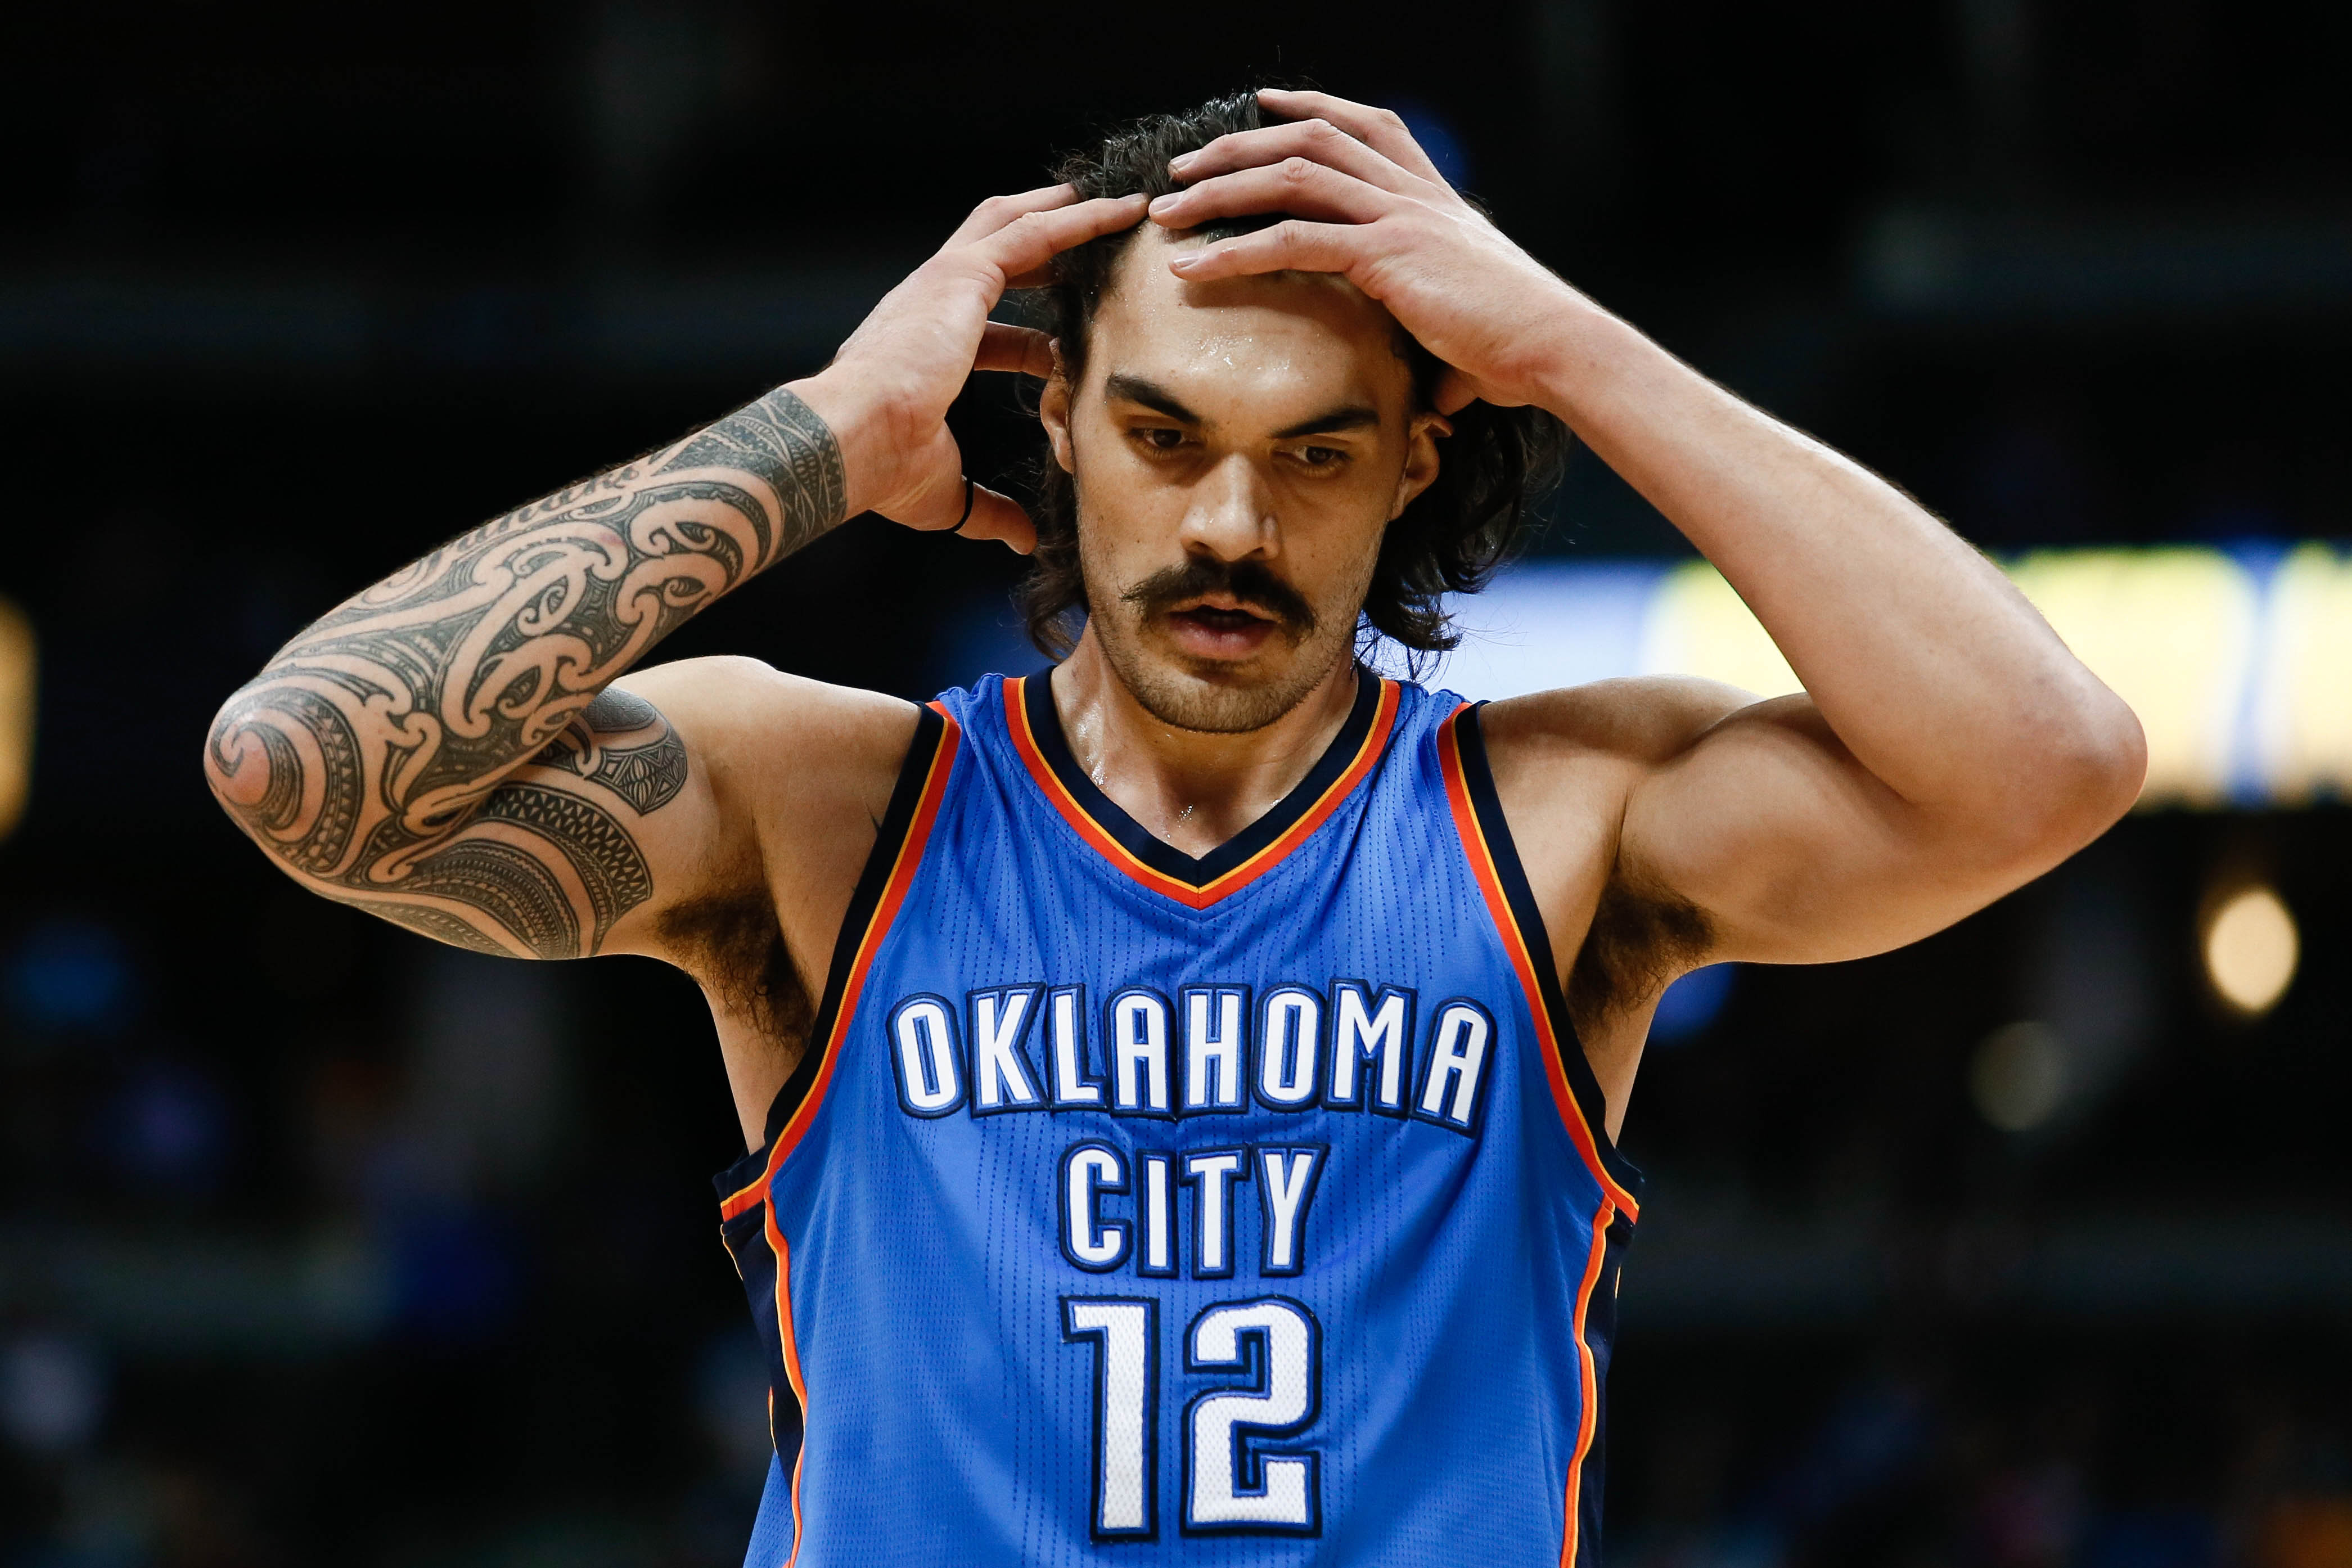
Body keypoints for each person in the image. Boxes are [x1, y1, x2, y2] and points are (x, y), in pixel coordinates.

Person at [203, 88, 2143, 1566]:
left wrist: (1563, 339)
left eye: (1314, 450)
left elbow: (2050, 757)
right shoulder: (830, 808)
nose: (1230, 522)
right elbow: (299, 761)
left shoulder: (1561, 819)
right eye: (1162, 435)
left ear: (1417, 459)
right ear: (1050, 423)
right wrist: (811, 437)